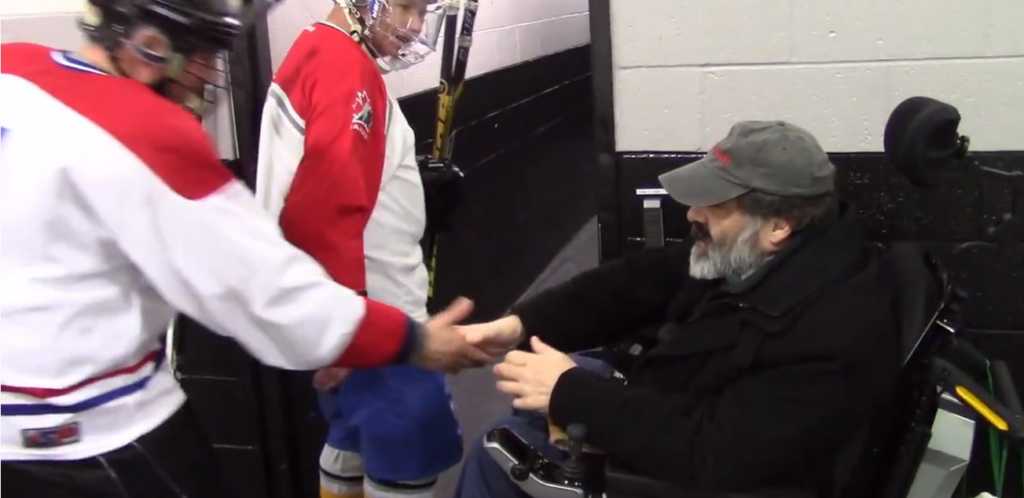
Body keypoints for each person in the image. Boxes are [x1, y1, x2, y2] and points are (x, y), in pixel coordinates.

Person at [0, 1, 489, 497]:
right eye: (203, 52)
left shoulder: (12, 66)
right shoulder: (147, 131)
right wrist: (410, 341)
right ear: (150, 42)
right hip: (99, 435)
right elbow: (270, 284)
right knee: (403, 461)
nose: (210, 72)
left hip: (13, 441)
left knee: (348, 449)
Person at [454, 121, 903, 497]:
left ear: (778, 226)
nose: (692, 213)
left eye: (715, 205)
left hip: (707, 471)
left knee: (497, 455)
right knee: (535, 397)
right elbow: (630, 285)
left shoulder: (832, 330)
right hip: (674, 405)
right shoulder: (750, 254)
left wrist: (569, 393)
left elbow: (719, 453)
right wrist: (518, 325)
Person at [255, 1, 456, 497]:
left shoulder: (317, 53)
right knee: (403, 465)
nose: (415, 27)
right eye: (408, 6)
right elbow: (324, 216)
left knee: (349, 446)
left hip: (353, 318)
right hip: (376, 327)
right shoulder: (345, 67)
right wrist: (345, 333)